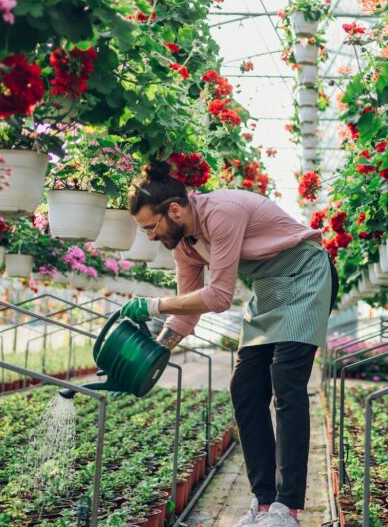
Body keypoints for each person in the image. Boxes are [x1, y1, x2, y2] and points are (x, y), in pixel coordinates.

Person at [119, 160, 337, 527]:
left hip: (305, 276)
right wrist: (154, 353)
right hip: (268, 290)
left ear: (174, 209)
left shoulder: (221, 211)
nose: (150, 237)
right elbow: (187, 312)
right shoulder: (184, 245)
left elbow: (219, 296)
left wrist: (152, 305)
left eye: (150, 227)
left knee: (287, 385)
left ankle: (288, 508)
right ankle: (264, 503)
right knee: (246, 388)